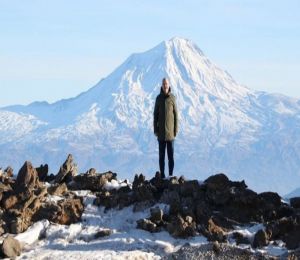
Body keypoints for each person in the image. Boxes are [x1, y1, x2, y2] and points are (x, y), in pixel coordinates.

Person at [153, 78, 178, 178]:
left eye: (166, 83)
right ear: (162, 85)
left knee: (171, 157)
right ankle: (163, 176)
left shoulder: (172, 98)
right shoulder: (158, 98)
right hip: (161, 134)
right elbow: (155, 115)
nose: (165, 85)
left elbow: (176, 115)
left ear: (169, 85)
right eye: (163, 84)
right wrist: (156, 130)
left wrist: (175, 130)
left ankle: (171, 175)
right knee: (161, 157)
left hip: (171, 134)